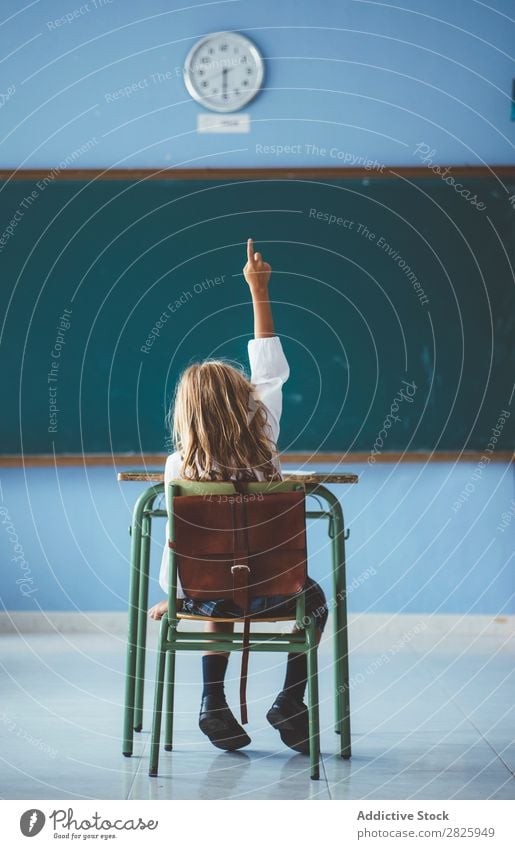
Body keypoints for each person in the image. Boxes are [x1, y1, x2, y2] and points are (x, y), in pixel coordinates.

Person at [149, 238, 328, 753]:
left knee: (216, 593)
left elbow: (173, 541)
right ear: (246, 405)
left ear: (185, 415)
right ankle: (290, 701)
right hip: (278, 586)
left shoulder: (178, 467)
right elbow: (271, 369)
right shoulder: (264, 439)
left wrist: (175, 594)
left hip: (205, 593)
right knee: (316, 600)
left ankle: (212, 702)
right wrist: (259, 288)